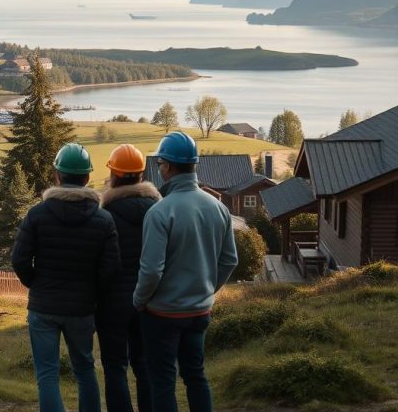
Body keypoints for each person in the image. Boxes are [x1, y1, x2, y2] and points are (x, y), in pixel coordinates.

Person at [133, 132, 238, 412]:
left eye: (160, 164)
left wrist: (139, 300)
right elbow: (229, 260)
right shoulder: (219, 208)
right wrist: (206, 289)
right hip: (199, 311)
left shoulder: (159, 211)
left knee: (163, 382)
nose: (158, 169)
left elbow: (152, 270)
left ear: (166, 166)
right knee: (196, 376)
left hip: (162, 313)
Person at [12, 142, 121, 412]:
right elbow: (112, 269)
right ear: (86, 178)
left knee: (47, 374)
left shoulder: (37, 215)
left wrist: (36, 284)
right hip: (82, 308)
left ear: (57, 175)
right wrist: (93, 293)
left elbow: (19, 260)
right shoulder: (104, 219)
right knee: (85, 368)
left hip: (43, 306)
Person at [97, 144, 160, 412]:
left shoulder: (104, 216)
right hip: (150, 301)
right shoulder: (158, 211)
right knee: (145, 366)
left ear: (114, 174)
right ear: (141, 175)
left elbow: (100, 263)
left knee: (115, 367)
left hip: (112, 304)